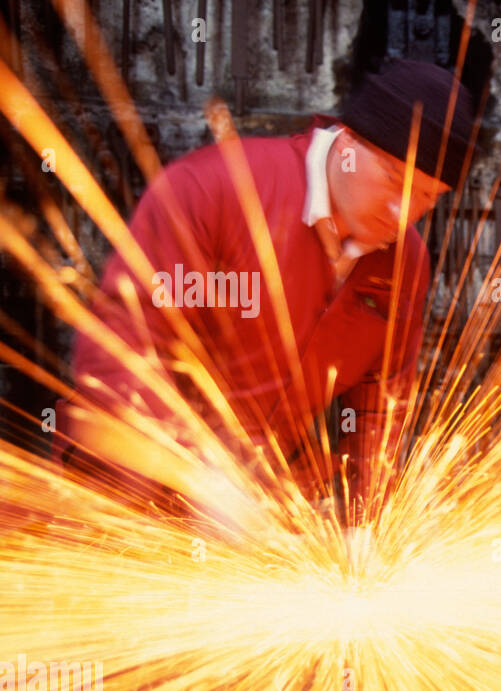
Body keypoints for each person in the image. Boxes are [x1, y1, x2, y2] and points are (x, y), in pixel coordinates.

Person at [55, 59, 476, 534]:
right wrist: (193, 477)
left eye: (427, 196)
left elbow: (377, 407)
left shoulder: (405, 264)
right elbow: (121, 350)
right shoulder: (214, 188)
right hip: (123, 495)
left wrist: (365, 524)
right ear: (347, 143)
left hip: (256, 510)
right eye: (394, 179)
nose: (404, 213)